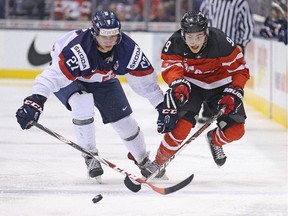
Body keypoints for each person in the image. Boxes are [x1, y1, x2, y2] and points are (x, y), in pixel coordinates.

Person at [16, 10, 165, 181]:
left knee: (124, 121)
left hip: (103, 80)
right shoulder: (77, 50)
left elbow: (147, 84)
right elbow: (49, 77)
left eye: (113, 36)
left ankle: (143, 160)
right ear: (94, 33)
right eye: (104, 37)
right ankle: (90, 155)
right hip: (72, 79)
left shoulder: (128, 50)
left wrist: (162, 107)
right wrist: (35, 100)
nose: (109, 42)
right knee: (82, 102)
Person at [151, 11, 250, 170]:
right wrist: (177, 83)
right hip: (192, 85)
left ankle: (214, 139)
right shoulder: (175, 43)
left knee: (236, 131)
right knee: (181, 127)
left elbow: (241, 70)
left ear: (206, 33)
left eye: (199, 36)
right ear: (183, 34)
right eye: (189, 37)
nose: (194, 41)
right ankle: (157, 163)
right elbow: (171, 68)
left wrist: (234, 90)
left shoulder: (221, 41)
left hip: (220, 84)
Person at [198, 0, 254, 123]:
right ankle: (208, 111)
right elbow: (200, 21)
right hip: (210, 48)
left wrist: (241, 44)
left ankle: (231, 112)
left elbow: (248, 26)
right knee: (208, 78)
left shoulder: (239, 3)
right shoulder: (209, 2)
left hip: (231, 50)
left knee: (232, 81)